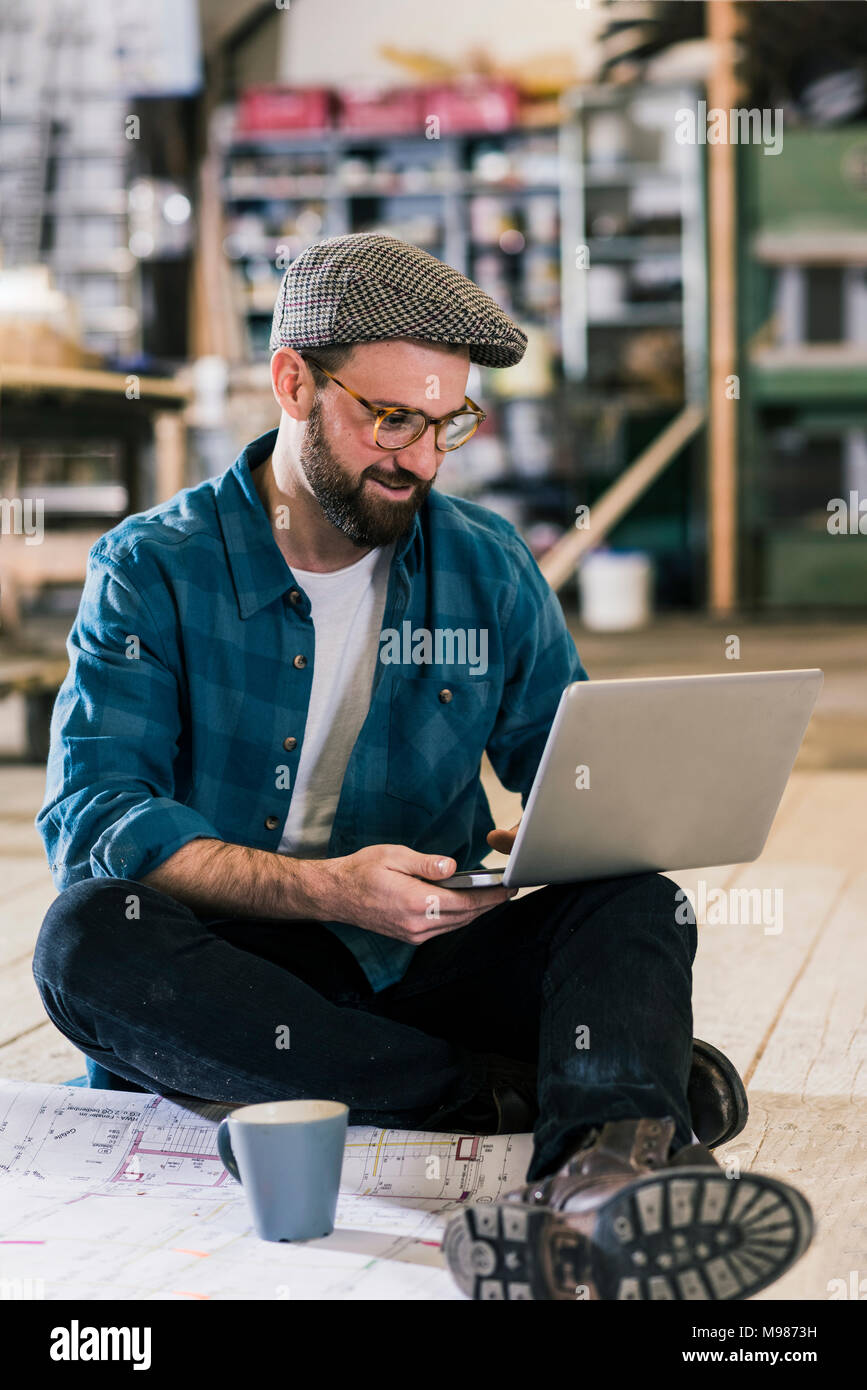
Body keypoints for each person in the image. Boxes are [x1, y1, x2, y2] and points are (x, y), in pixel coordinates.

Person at [33, 232, 812, 1301]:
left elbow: (564, 763)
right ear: (293, 381)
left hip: (431, 958)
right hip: (254, 974)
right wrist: (322, 885)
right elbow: (93, 820)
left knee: (639, 904)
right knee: (84, 942)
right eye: (389, 418)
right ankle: (547, 1097)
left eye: (448, 424)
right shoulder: (153, 568)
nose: (421, 460)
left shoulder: (487, 564)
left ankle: (594, 1188)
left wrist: (565, 825)